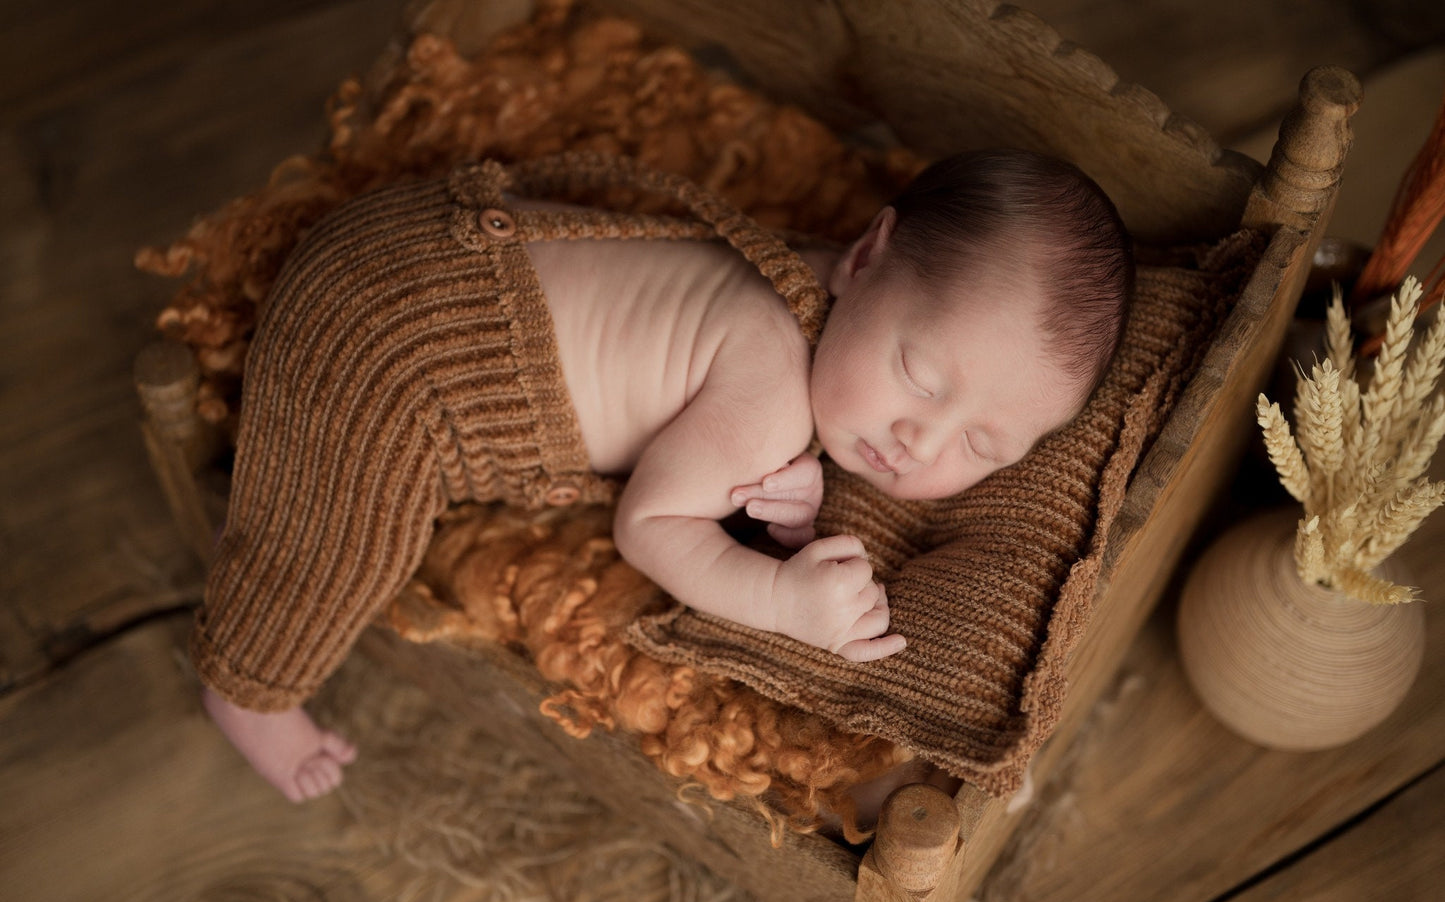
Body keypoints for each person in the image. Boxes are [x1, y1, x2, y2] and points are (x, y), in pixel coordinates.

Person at [195, 149, 1133, 802]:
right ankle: (248, 689)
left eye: (984, 448)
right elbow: (650, 524)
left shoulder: (814, 293)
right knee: (341, 536)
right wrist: (777, 598)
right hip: (411, 339)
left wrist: (783, 505)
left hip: (424, 237)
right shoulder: (768, 384)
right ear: (861, 258)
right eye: (921, 377)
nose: (921, 442)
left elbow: (708, 445)